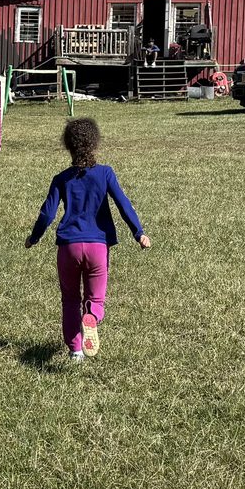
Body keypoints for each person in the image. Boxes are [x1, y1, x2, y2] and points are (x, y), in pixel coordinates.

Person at [25, 117, 151, 364]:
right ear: (94, 144)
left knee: (70, 300)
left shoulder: (61, 178)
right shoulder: (105, 173)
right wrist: (139, 233)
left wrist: (34, 237)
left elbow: (47, 214)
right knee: (95, 298)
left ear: (68, 146)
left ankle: (75, 350)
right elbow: (124, 204)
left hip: (69, 247)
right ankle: (92, 314)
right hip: (97, 246)